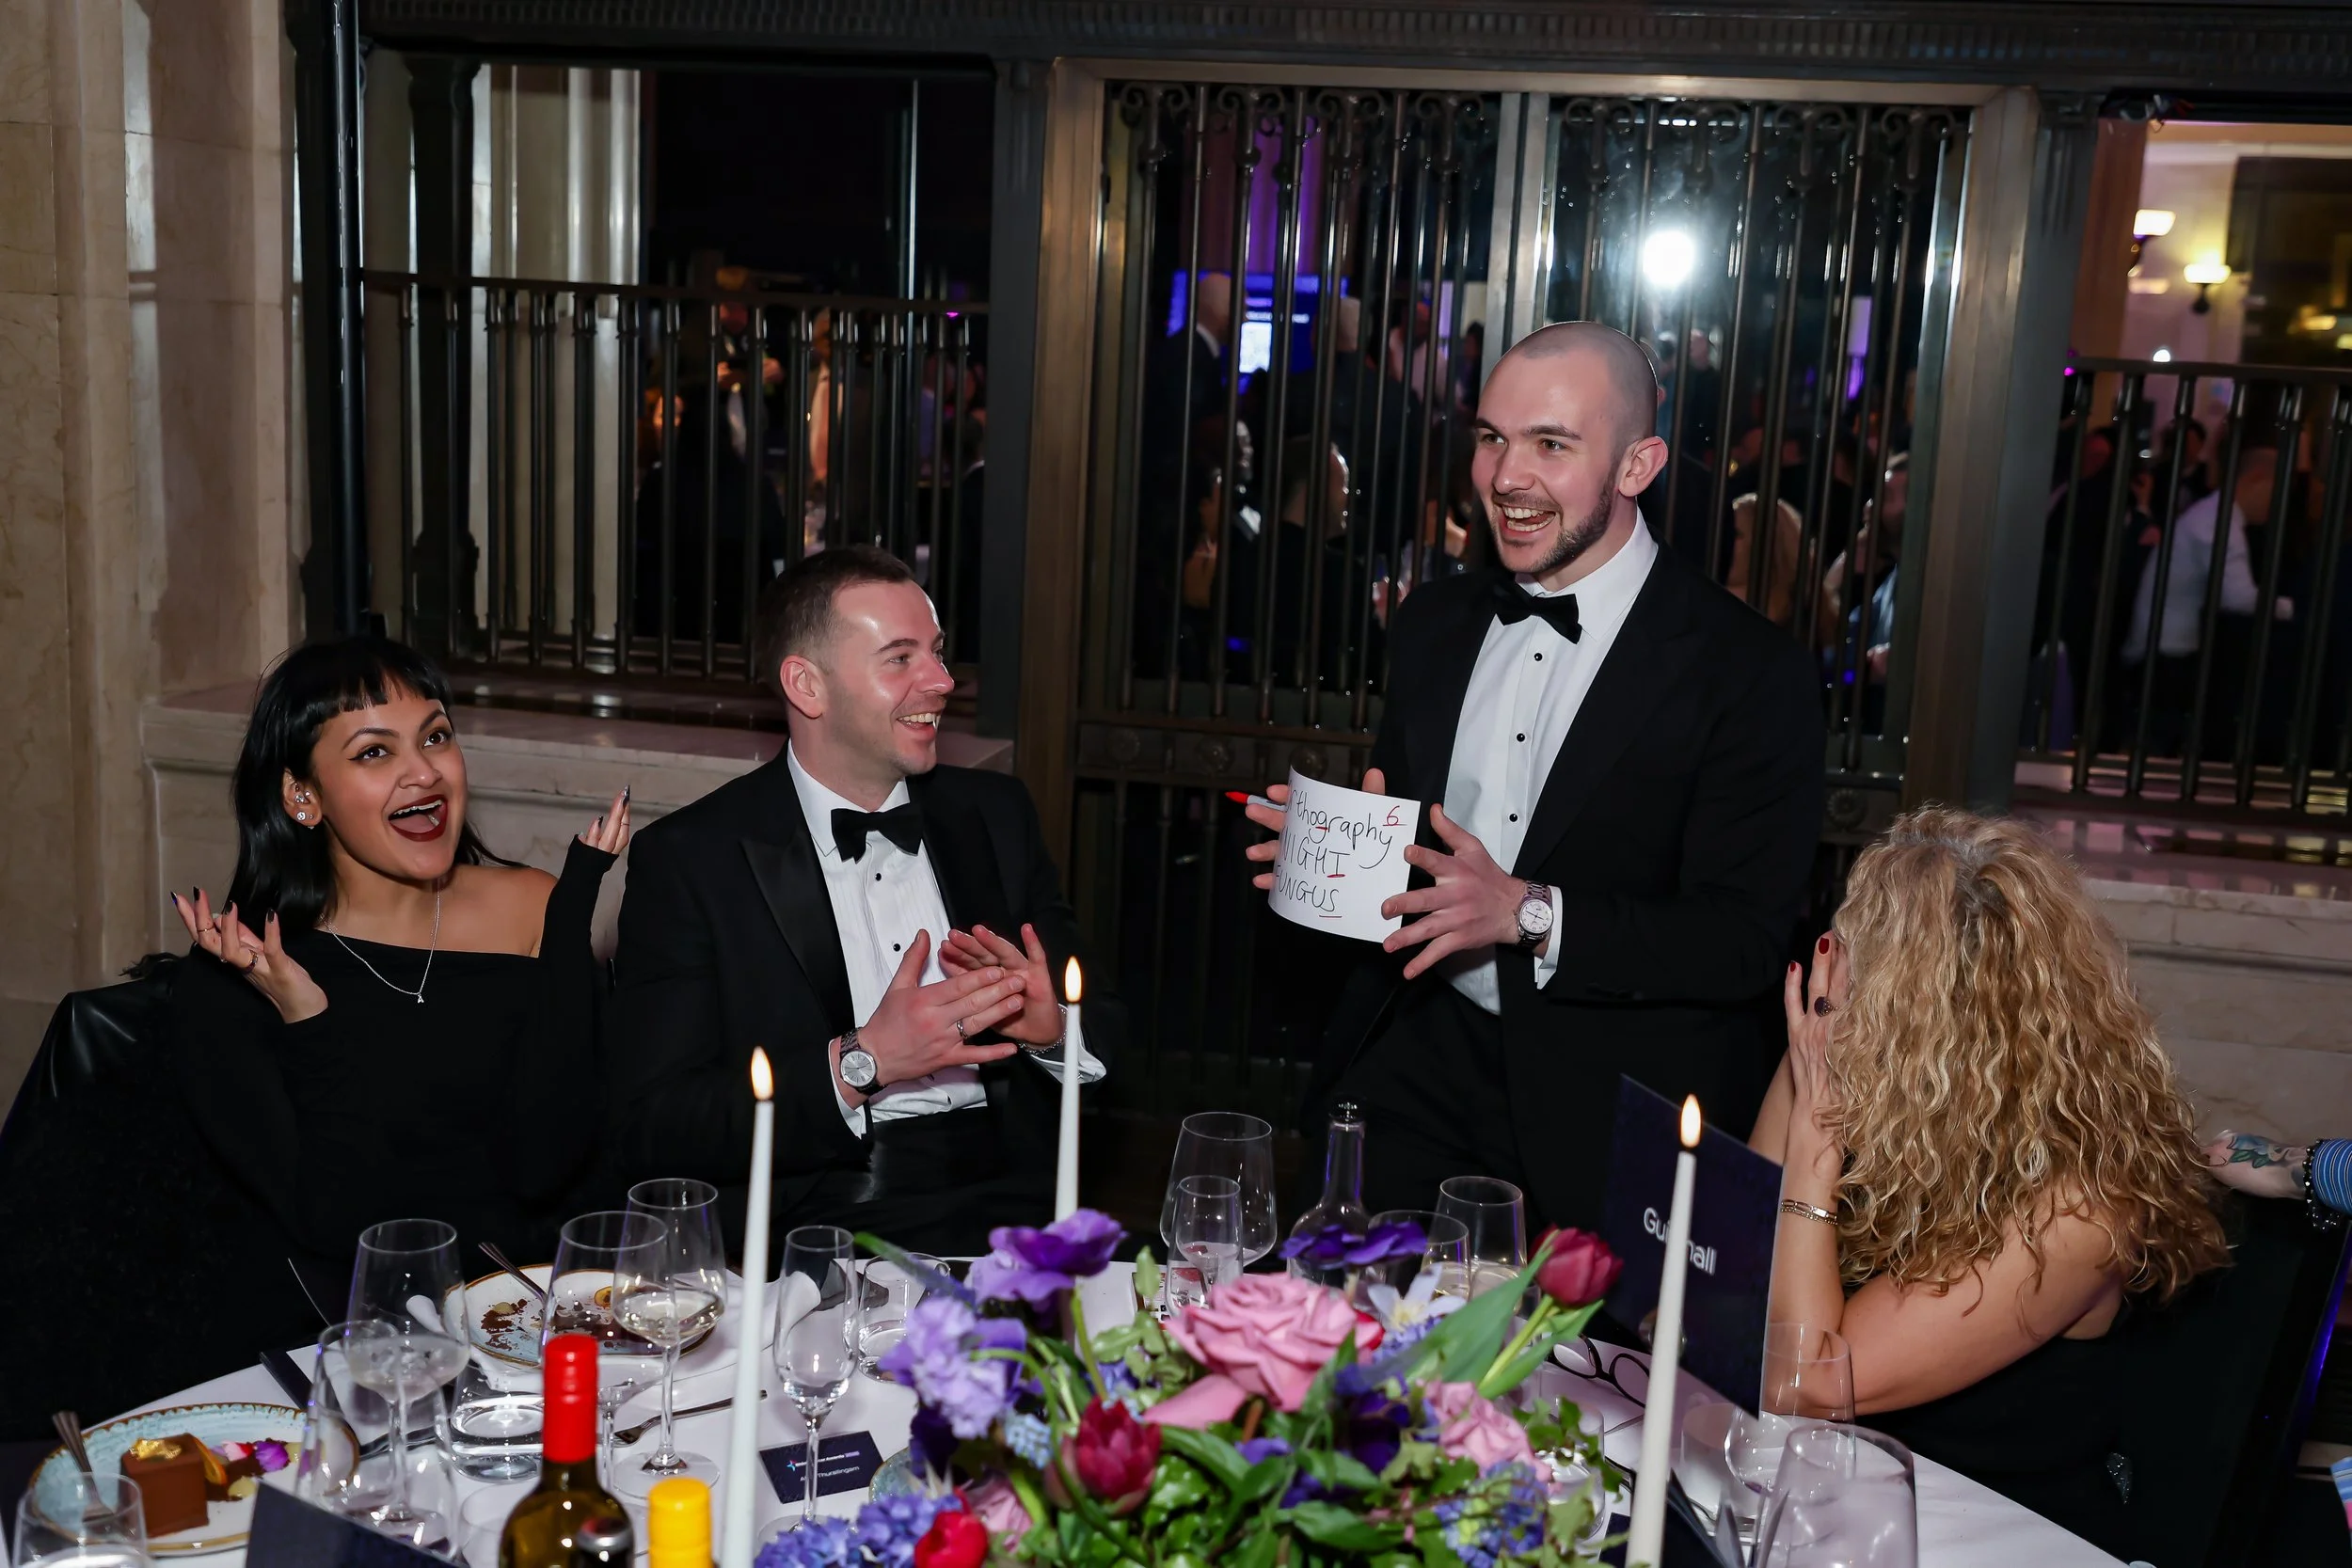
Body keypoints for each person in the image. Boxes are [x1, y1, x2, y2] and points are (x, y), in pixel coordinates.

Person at [1246, 321, 1824, 1230]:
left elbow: (1742, 942)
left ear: (1638, 465)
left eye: (1551, 444)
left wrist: (1527, 912)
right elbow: (1426, 856)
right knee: (1352, 1349)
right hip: (1417, 1063)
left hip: (1609, 1106)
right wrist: (1333, 859)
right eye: (1491, 438)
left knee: (1568, 1376)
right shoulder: (1434, 624)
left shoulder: (1750, 673)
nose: (1506, 477)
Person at [1752, 808, 2227, 1554]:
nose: (1838, 977)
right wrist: (1813, 1066)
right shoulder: (1855, 1069)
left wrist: (1815, 1146)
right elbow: (1739, 1258)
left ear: (1931, 1017)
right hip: (1835, 1501)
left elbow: (1811, 1381)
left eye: (1866, 969)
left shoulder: (2085, 1204)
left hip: (1999, 1537)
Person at [606, 546, 1102, 1257]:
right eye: (900, 658)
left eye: (935, 652)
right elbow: (652, 1125)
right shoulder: (692, 859)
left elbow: (1101, 1019)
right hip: (818, 1218)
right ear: (807, 685)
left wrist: (1050, 1030)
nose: (940, 680)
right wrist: (861, 1061)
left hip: (1016, 1202)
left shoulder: (996, 814)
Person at [168, 635, 629, 1278]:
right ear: (303, 796)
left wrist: (569, 922)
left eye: (436, 737)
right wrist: (307, 1017)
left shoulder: (533, 908)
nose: (425, 772)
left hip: (540, 1309)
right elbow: (333, 1227)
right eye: (375, 751)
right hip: (358, 1335)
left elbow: (549, 1167)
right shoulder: (237, 978)